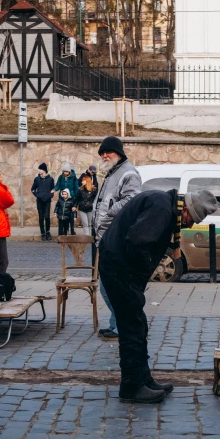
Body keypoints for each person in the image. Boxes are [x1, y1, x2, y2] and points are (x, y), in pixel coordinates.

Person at [99, 188, 220, 403]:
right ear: (186, 210)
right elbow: (137, 242)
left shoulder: (165, 204)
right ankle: (131, 386)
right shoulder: (162, 208)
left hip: (121, 267)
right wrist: (144, 268)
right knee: (131, 326)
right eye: (190, 220)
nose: (189, 226)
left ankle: (143, 378)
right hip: (119, 268)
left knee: (138, 324)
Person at [93, 136, 142, 341]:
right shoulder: (111, 172)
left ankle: (122, 325)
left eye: (109, 151)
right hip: (105, 237)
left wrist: (108, 215)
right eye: (102, 152)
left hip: (116, 237)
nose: (105, 155)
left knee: (110, 284)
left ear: (119, 153)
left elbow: (132, 199)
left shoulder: (128, 173)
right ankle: (117, 323)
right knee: (107, 284)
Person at [31, 162, 54, 241]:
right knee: (41, 217)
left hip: (47, 201)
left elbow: (53, 189)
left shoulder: (50, 179)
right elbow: (33, 189)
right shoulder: (37, 179)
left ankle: (48, 232)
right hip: (40, 201)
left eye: (40, 169)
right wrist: (37, 195)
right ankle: (42, 233)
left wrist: (50, 195)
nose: (39, 171)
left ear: (44, 170)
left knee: (47, 216)